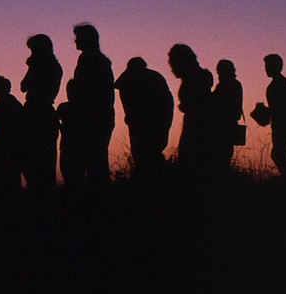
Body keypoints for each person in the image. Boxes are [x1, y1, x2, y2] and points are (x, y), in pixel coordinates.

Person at [65, 23, 115, 188]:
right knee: (97, 161)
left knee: (94, 162)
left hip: (93, 119)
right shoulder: (98, 60)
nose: (75, 41)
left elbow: (87, 90)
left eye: (78, 38)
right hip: (100, 117)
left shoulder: (90, 60)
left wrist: (73, 90)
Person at [114, 57, 174, 182]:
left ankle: (149, 182)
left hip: (146, 121)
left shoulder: (133, 77)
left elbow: (120, 87)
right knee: (148, 153)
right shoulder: (155, 77)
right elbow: (168, 102)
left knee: (144, 154)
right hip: (153, 121)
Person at [19, 34, 63, 192]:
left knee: (34, 159)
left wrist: (31, 67)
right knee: (46, 160)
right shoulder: (55, 67)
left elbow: (23, 86)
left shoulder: (40, 67)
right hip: (45, 113)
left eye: (32, 50)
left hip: (36, 113)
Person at [167, 44, 215, 174]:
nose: (172, 69)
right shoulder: (198, 77)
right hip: (195, 124)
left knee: (192, 162)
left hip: (198, 126)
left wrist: (185, 105)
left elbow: (198, 103)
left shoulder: (195, 79)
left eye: (173, 64)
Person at [255, 54, 286, 177]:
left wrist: (264, 111)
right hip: (282, 124)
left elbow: (283, 108)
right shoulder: (278, 85)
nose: (265, 69)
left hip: (284, 124)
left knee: (278, 153)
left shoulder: (280, 85)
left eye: (267, 66)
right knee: (280, 152)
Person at [212, 59, 244, 173]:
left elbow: (215, 102)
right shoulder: (235, 84)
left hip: (224, 126)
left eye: (220, 72)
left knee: (220, 159)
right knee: (224, 158)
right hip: (229, 125)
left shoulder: (225, 85)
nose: (219, 75)